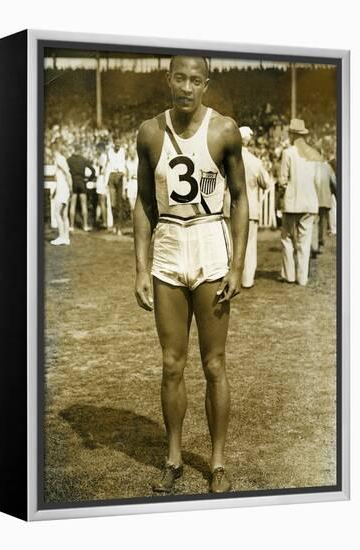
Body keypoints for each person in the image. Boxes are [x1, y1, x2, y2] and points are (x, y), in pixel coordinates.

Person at [133, 56, 248, 494]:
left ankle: (217, 463)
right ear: (168, 79)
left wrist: (236, 265)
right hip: (168, 247)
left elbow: (239, 197)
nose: (186, 87)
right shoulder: (148, 131)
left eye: (195, 80)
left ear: (206, 84)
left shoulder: (223, 130)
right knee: (171, 364)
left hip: (209, 245)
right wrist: (141, 268)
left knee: (214, 363)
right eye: (179, 78)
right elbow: (144, 202)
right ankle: (174, 459)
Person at [279, 119, 320, 285]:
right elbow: (317, 180)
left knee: (287, 238)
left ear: (293, 134)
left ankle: (289, 275)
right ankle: (302, 278)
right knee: (305, 240)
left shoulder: (288, 153)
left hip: (292, 203)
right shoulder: (313, 153)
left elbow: (283, 179)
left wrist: (282, 190)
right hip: (309, 202)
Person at [239, 126, 271, 288]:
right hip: (250, 207)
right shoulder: (255, 161)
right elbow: (266, 183)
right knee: (249, 245)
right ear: (248, 140)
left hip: (230, 206)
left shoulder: (228, 159)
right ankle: (247, 280)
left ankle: (230, 277)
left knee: (230, 244)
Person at [67, 144, 96, 232]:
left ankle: (71, 226)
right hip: (82, 183)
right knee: (84, 205)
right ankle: (85, 225)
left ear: (74, 149)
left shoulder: (69, 160)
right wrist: (88, 180)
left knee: (72, 205)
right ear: (79, 150)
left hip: (73, 182)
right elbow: (93, 170)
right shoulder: (83, 159)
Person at [50, 140, 72, 246]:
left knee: (57, 213)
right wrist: (55, 191)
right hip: (62, 189)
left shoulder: (59, 159)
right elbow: (60, 177)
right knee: (64, 214)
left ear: (54, 149)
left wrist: (70, 188)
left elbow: (68, 174)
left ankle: (62, 237)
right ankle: (66, 237)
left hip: (63, 189)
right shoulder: (60, 159)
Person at [106, 138, 127, 235]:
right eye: (116, 144)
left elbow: (124, 166)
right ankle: (114, 226)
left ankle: (119, 227)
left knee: (119, 204)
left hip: (120, 176)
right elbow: (108, 165)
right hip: (112, 176)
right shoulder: (109, 151)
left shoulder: (123, 151)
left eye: (119, 143)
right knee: (113, 204)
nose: (118, 145)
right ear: (113, 143)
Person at [125, 144, 139, 222]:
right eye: (130, 151)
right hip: (130, 184)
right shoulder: (127, 162)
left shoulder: (140, 160)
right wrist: (125, 188)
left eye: (133, 151)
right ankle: (134, 227)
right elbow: (126, 176)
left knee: (138, 208)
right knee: (132, 207)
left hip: (138, 183)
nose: (132, 153)